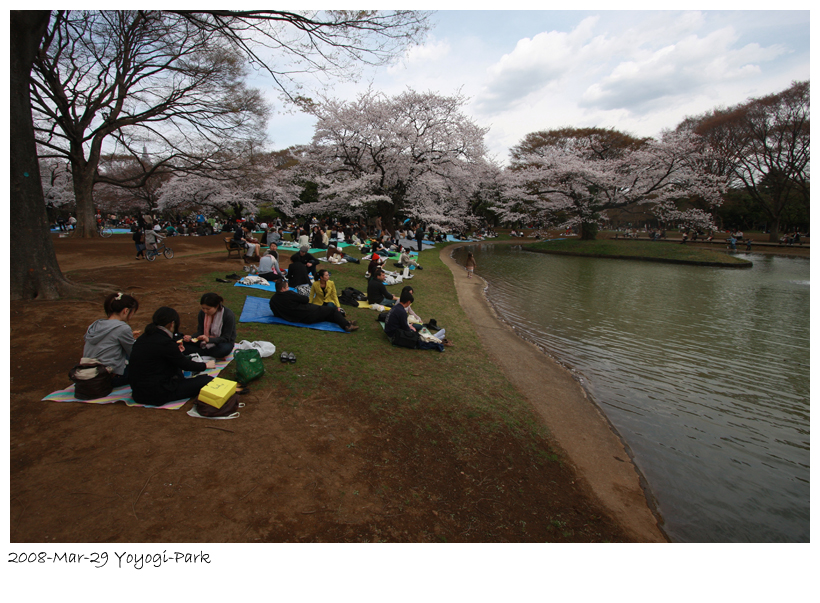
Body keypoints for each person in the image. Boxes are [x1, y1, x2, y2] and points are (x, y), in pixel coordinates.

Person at [128, 307, 216, 406]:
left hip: (137, 392)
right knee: (207, 381)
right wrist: (205, 365)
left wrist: (177, 351)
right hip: (157, 394)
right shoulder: (166, 342)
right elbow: (185, 365)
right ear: (172, 323)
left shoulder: (144, 337)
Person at [82, 292, 141, 388]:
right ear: (126, 311)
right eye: (132, 312)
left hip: (88, 373)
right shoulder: (122, 328)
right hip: (108, 377)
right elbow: (134, 353)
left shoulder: (96, 325)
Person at [269, 279, 358, 332]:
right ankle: (347, 326)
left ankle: (345, 322)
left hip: (298, 317)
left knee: (327, 314)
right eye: (287, 287)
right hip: (308, 313)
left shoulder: (272, 301)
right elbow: (305, 299)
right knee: (332, 310)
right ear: (283, 289)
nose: (288, 288)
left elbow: (276, 314)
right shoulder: (289, 294)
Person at [181, 293, 237, 359]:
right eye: (203, 308)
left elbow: (226, 338)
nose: (205, 311)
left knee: (223, 350)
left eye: (208, 309)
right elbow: (200, 331)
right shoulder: (202, 313)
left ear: (216, 306)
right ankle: (209, 353)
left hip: (222, 342)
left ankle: (201, 352)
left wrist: (209, 339)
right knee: (182, 343)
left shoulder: (228, 315)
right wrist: (191, 337)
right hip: (205, 340)